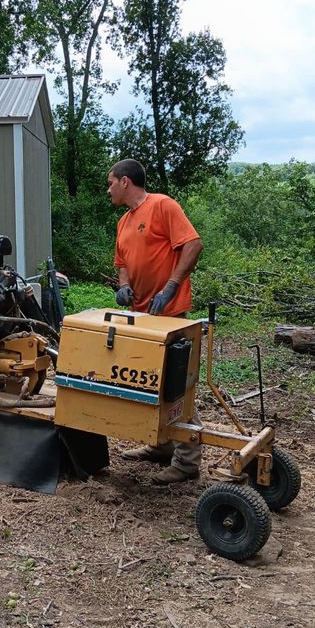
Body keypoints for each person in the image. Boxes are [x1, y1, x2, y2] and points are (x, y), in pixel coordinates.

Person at [107, 158, 204, 485]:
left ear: (125, 182)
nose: (108, 190)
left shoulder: (162, 205)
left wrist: (172, 285)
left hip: (170, 313)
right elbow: (122, 262)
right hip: (142, 315)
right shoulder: (123, 222)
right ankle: (162, 446)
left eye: (110, 183)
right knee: (151, 380)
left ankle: (187, 461)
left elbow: (193, 244)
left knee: (177, 383)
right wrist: (123, 286)